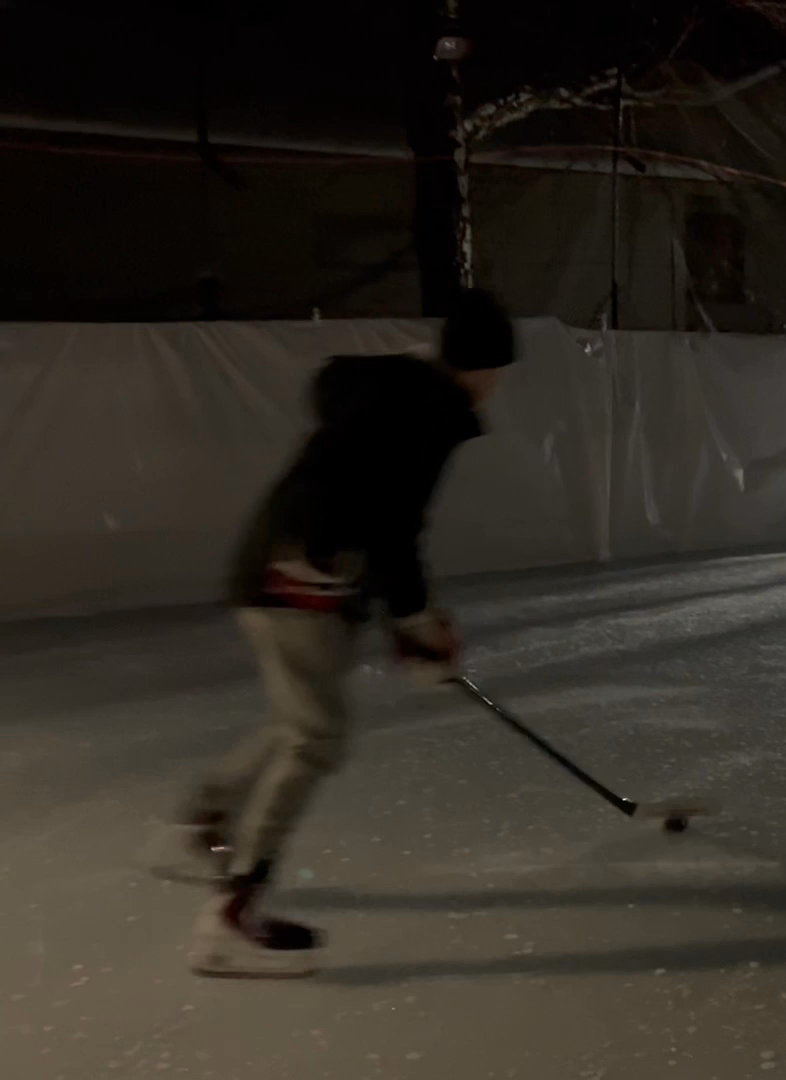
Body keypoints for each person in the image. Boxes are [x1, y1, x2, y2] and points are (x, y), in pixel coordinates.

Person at [143, 287, 517, 978]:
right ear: (479, 364)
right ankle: (232, 916)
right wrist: (414, 620)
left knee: (299, 719)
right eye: (497, 368)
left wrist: (403, 619)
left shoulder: (388, 393)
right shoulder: (431, 413)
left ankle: (203, 821)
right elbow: (395, 525)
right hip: (301, 576)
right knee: (316, 737)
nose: (497, 384)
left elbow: (362, 503)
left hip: (279, 566)